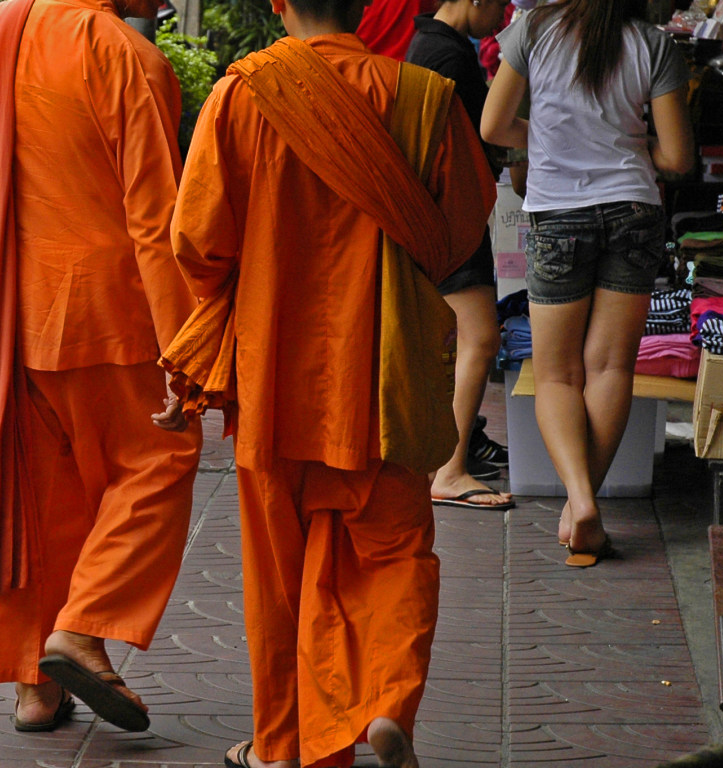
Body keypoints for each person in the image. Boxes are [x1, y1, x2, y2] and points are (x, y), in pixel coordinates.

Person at [163, 0, 496, 762]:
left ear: (279, 4)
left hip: (275, 373)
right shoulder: (425, 99)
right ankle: (384, 702)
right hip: (388, 374)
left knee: (280, 574)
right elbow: (461, 231)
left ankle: (282, 746)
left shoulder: (242, 94)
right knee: (393, 551)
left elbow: (198, 241)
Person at [0, 0, 203, 733]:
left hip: (2, 314)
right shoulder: (126, 54)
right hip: (108, 310)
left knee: (30, 498)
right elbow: (156, 217)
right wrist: (187, 346)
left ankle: (35, 686)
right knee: (158, 460)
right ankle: (84, 626)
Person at [481, 0, 693, 565]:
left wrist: (549, 135)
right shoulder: (654, 43)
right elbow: (676, 156)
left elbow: (493, 124)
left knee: (555, 372)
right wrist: (628, 143)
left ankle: (579, 500)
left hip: (560, 216)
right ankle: (583, 505)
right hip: (634, 210)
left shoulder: (534, 29)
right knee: (609, 367)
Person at [405, 0, 516, 512]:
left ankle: (447, 459)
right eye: (498, 2)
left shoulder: (438, 45)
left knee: (465, 340)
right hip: (449, 217)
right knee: (481, 337)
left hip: (449, 214)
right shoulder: (444, 53)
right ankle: (449, 468)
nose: (504, 13)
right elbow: (426, 144)